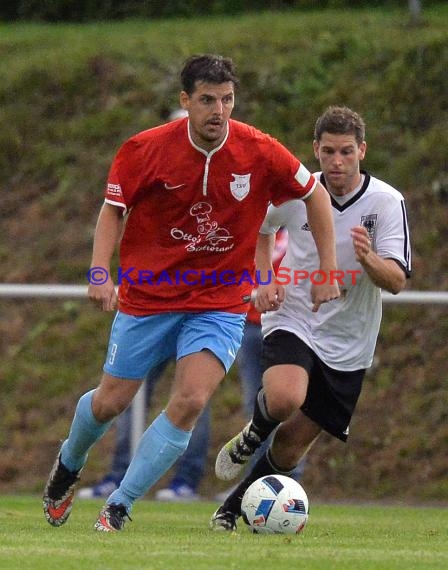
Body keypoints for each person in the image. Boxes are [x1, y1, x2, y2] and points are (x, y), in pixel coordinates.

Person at [42, 53, 340, 533]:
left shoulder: (259, 150)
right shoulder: (144, 149)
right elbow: (112, 210)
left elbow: (316, 195)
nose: (218, 111)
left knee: (191, 400)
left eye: (226, 100)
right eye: (206, 100)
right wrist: (100, 273)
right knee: (110, 401)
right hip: (149, 296)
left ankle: (119, 506)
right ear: (185, 101)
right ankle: (68, 466)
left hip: (219, 301)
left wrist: (328, 268)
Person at [210, 105, 411, 531]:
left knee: (291, 446)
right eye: (329, 152)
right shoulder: (298, 191)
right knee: (284, 398)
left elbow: (395, 281)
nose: (337, 162)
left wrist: (367, 258)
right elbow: (262, 232)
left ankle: (232, 506)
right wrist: (264, 281)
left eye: (346, 152)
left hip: (350, 339)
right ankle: (253, 431)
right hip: (295, 314)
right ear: (315, 150)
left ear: (362, 151)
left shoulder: (387, 202)